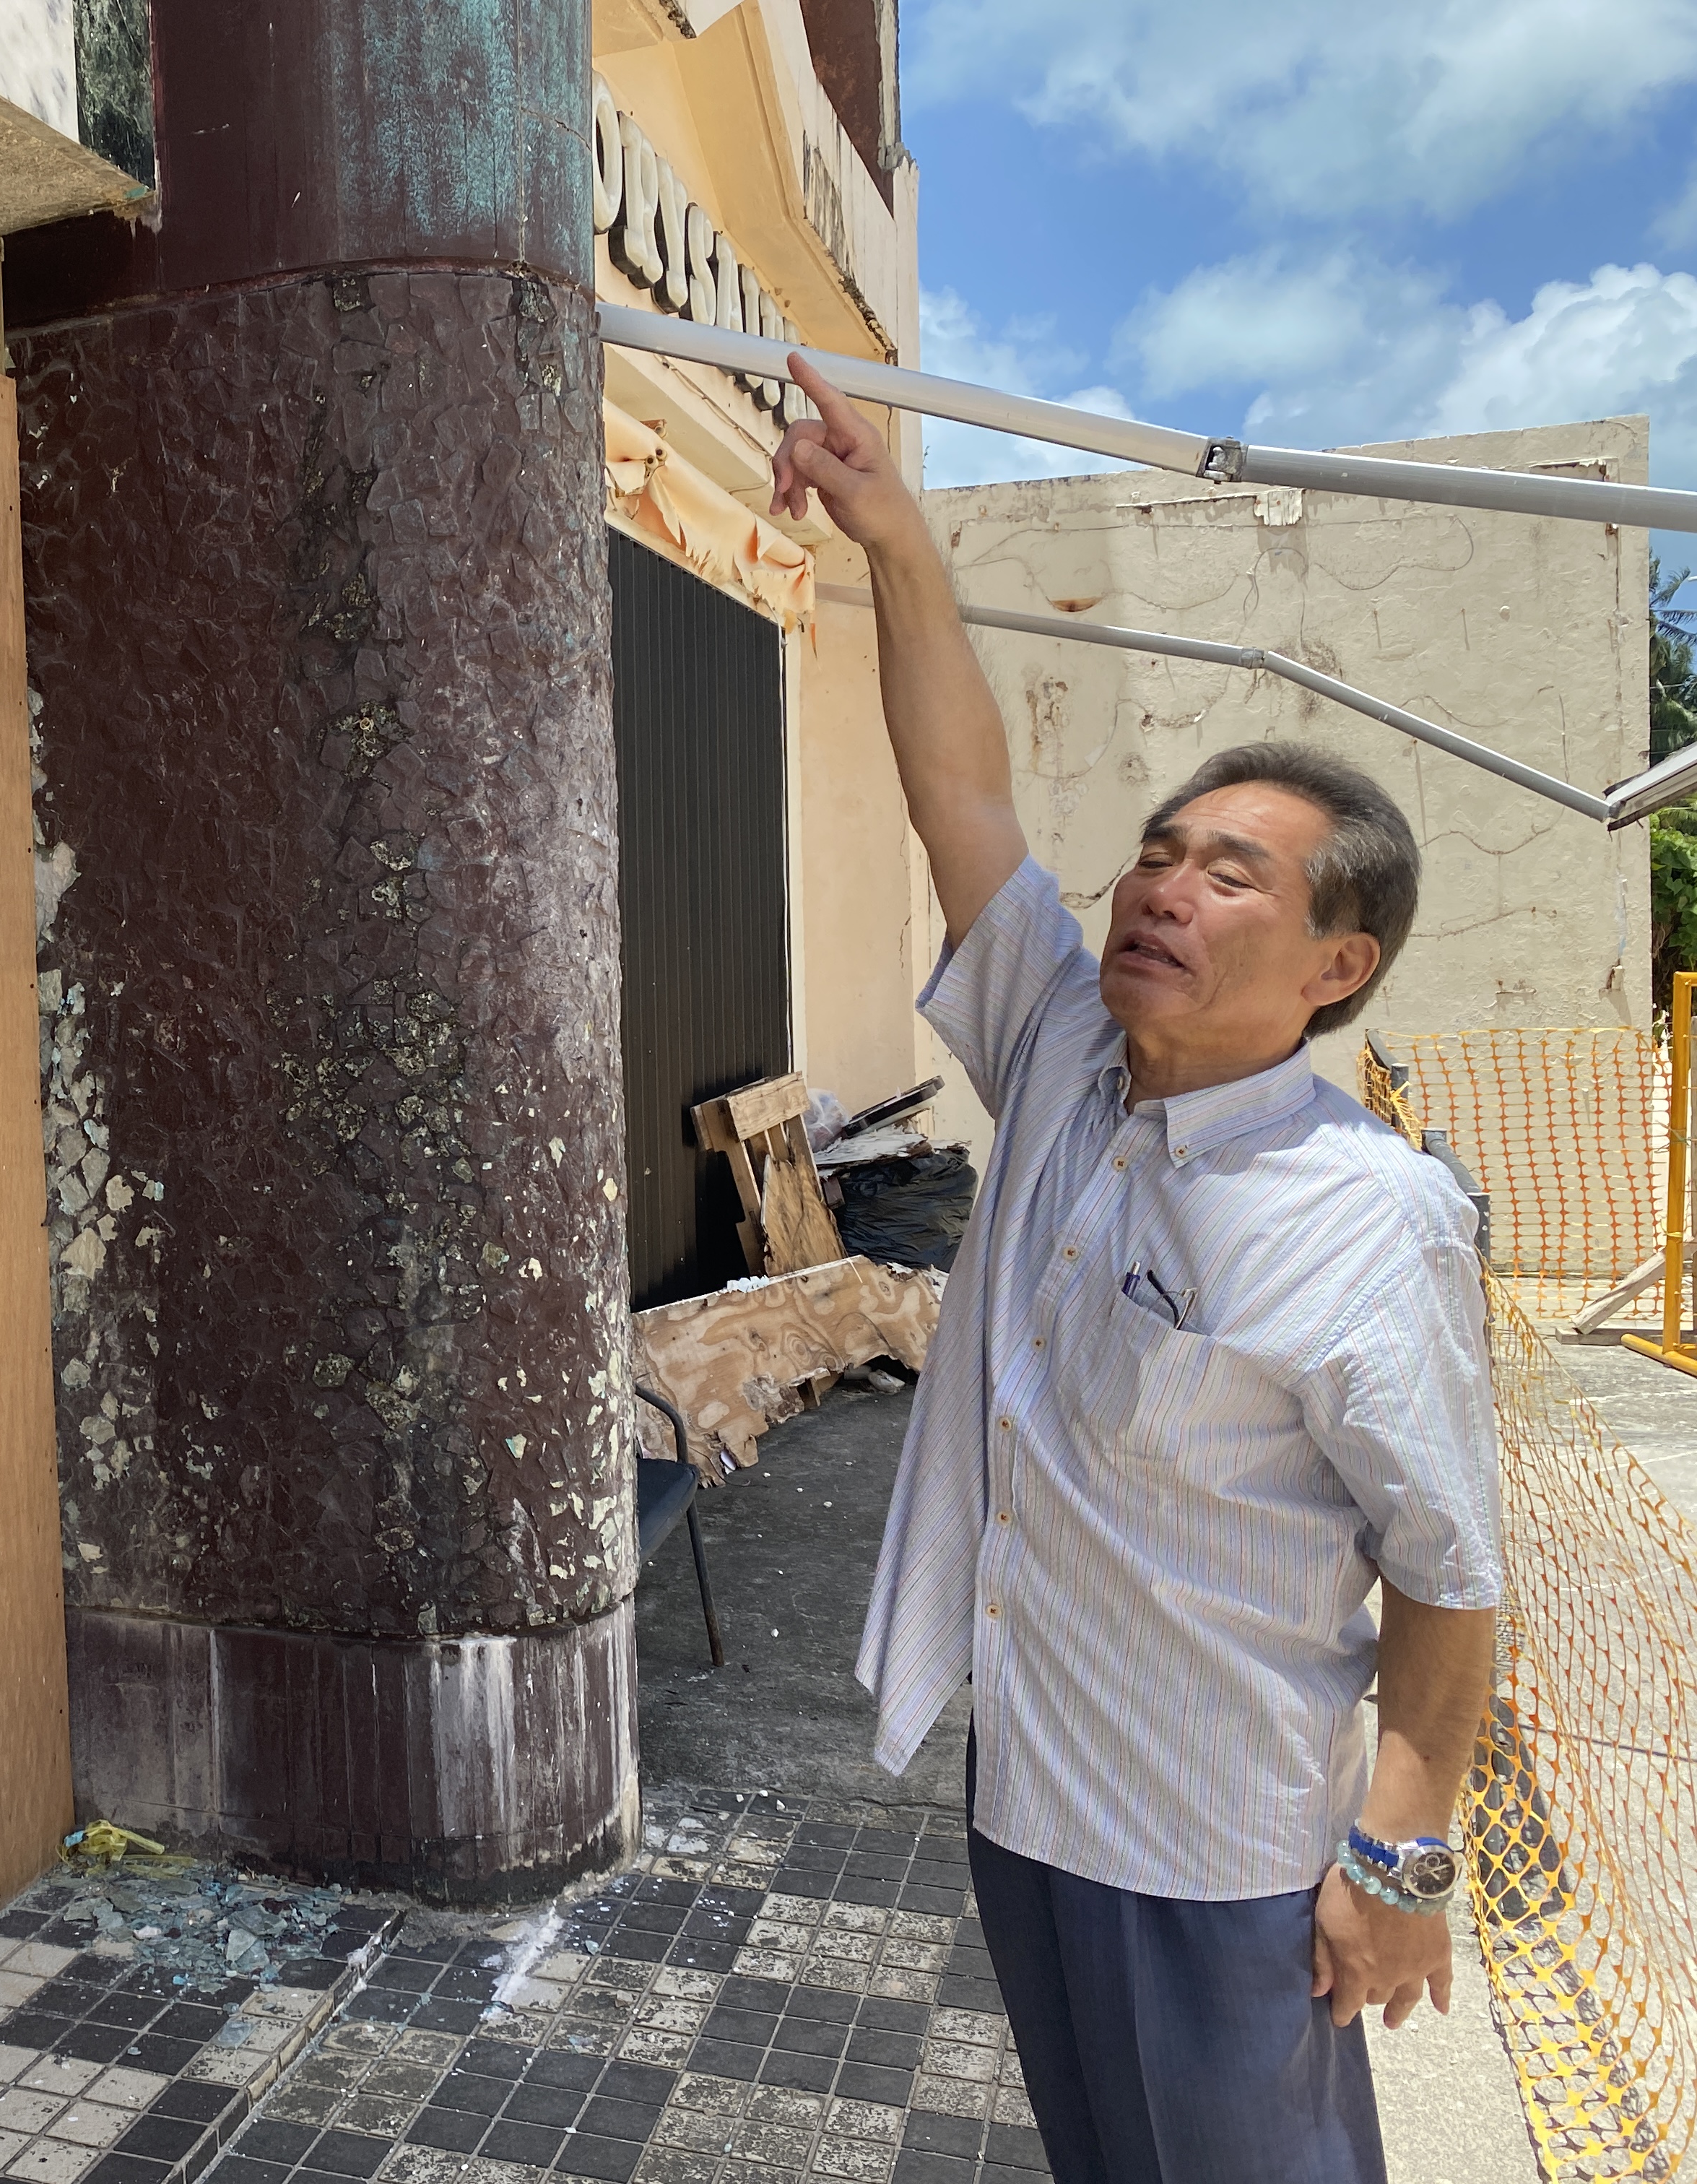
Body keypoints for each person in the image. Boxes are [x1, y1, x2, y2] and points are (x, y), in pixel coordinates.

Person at [768, 356, 1504, 2183]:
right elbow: (960, 785)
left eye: (1233, 877)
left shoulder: (1373, 1218)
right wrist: (894, 536)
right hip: (1029, 1800)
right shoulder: (1065, 1061)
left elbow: (1447, 1577)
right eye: (1160, 854)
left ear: (1339, 967)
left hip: (1217, 1853)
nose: (1163, 886)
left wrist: (1400, 1861)